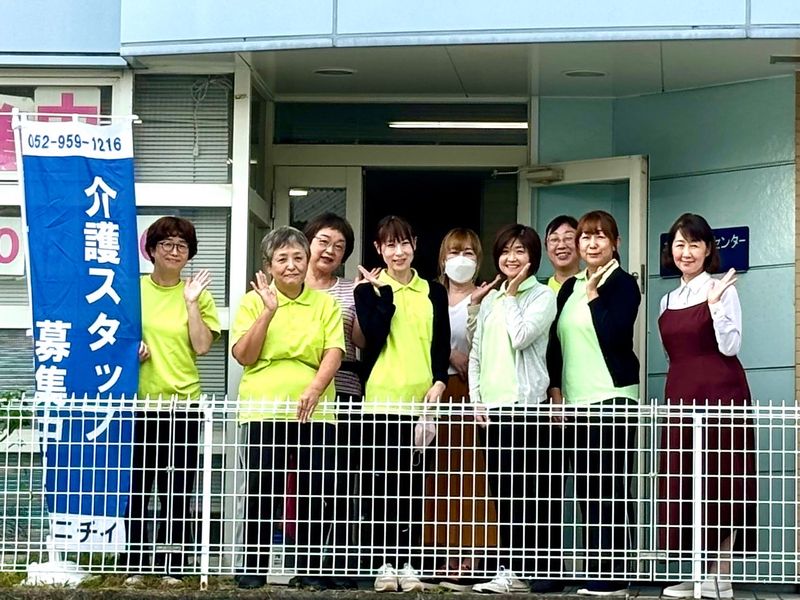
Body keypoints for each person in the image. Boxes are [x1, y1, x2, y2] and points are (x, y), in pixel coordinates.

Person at [231, 226, 344, 590]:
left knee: (315, 488)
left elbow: (334, 351)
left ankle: (309, 569)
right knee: (262, 488)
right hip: (264, 407)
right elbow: (244, 355)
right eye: (282, 259)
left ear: (308, 260)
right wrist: (268, 311)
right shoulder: (252, 302)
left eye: (298, 257)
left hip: (315, 409)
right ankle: (253, 567)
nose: (291, 265)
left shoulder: (325, 304)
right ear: (269, 265)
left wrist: (315, 388)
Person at [657, 213, 756, 600]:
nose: (686, 252)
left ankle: (722, 575)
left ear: (708, 249)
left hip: (721, 391)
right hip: (681, 392)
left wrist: (714, 305)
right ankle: (698, 572)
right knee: (686, 478)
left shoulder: (722, 288)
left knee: (722, 477)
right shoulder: (667, 299)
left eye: (694, 244)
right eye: (679, 244)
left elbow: (731, 346)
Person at [547, 210, 641, 597]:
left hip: (612, 397)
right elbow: (556, 343)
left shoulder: (623, 283)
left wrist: (593, 297)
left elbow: (615, 334)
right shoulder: (569, 287)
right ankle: (596, 569)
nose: (592, 243)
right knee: (587, 489)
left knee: (610, 488)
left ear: (616, 243)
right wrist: (556, 390)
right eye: (586, 237)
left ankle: (615, 573)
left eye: (601, 236)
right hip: (575, 401)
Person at [354, 215, 450, 593]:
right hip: (381, 399)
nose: (398, 252)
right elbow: (374, 335)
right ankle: (384, 563)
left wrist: (440, 380)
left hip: (421, 401)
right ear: (379, 249)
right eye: (390, 245)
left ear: (415, 245)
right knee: (380, 486)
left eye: (404, 243)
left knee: (412, 486)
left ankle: (409, 562)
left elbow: (441, 342)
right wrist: (385, 296)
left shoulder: (433, 291)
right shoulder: (368, 290)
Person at [122, 216, 220, 585]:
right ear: (150, 250)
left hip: (183, 404)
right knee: (137, 487)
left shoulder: (198, 292)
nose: (174, 251)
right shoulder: (132, 290)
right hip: (140, 404)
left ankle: (175, 564)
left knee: (177, 489)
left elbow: (202, 345)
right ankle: (134, 562)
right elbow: (111, 336)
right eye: (166, 244)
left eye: (182, 246)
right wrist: (129, 350)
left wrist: (191, 303)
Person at [468, 224, 561, 595]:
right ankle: (510, 569)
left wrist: (508, 297)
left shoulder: (542, 295)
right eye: (506, 251)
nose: (512, 257)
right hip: (491, 411)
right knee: (504, 494)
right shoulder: (491, 299)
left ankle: (531, 571)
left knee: (529, 494)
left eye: (520, 250)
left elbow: (521, 337)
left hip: (525, 407)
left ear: (533, 257)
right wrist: (476, 399)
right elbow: (476, 352)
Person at [421, 228, 499, 590]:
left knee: (473, 472)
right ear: (443, 258)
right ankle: (441, 551)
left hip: (474, 394)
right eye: (454, 252)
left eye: (468, 252)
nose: (461, 259)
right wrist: (449, 354)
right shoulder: (429, 294)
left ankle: (473, 553)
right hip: (438, 390)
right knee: (438, 474)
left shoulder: (489, 295)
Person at [303, 213, 364, 587]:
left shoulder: (349, 290)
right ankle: (307, 564)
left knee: (339, 481)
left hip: (343, 392)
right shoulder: (289, 288)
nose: (330, 250)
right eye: (323, 241)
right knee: (305, 481)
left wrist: (366, 301)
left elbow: (360, 342)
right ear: (308, 242)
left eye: (339, 246)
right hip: (298, 396)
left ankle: (339, 563)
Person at [544, 215, 580, 293]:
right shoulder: (539, 289)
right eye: (554, 239)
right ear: (546, 247)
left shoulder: (594, 285)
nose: (561, 246)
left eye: (568, 238)